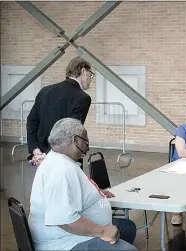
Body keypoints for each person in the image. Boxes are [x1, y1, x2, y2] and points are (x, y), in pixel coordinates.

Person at [28, 118, 137, 251]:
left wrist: (94, 193)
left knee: (127, 228)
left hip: (67, 234)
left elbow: (67, 194)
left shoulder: (58, 159)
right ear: (76, 140)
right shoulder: (61, 170)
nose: (86, 144)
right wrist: (102, 231)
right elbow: (65, 221)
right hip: (65, 242)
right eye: (85, 139)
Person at [26, 56, 93, 168]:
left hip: (41, 157)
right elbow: (70, 133)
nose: (91, 79)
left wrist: (36, 150)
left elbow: (32, 120)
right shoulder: (83, 98)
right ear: (82, 71)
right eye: (90, 74)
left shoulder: (45, 91)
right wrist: (47, 155)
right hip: (64, 162)